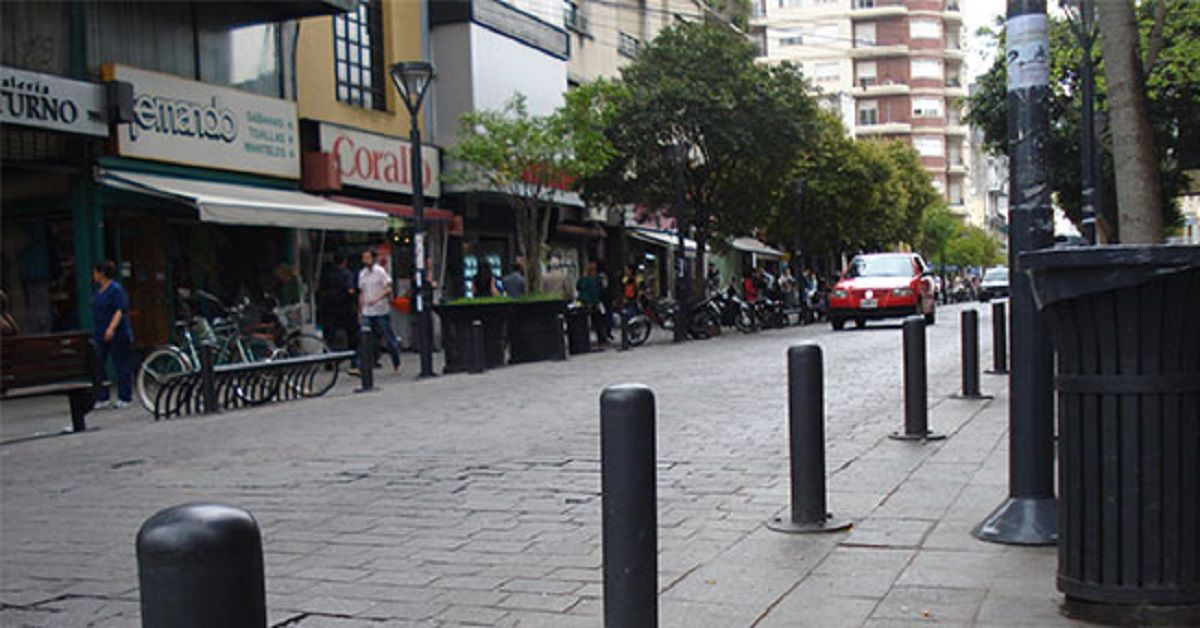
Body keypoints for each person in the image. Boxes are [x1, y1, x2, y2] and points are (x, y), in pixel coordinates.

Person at [91, 260, 133, 409]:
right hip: (99, 332)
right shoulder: (97, 291)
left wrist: (111, 328)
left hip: (117, 332)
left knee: (121, 363)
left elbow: (120, 310)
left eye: (95, 272)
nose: (93, 275)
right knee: (98, 364)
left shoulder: (116, 290)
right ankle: (102, 396)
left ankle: (125, 396)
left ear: (101, 273)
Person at [357, 249, 401, 373]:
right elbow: (362, 292)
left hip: (381, 310)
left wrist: (376, 299)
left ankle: (396, 360)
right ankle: (361, 364)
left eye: (367, 257)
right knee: (364, 337)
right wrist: (360, 310)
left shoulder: (380, 272)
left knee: (388, 337)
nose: (365, 261)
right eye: (364, 258)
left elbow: (388, 288)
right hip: (367, 310)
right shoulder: (362, 274)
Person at [318, 254, 357, 355]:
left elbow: (320, 290)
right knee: (351, 333)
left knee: (329, 334)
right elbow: (350, 291)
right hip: (344, 308)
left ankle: (327, 356)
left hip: (328, 307)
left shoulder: (326, 274)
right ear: (344, 262)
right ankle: (353, 357)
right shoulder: (346, 274)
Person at [575, 262, 611, 345]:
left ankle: (585, 339)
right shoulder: (596, 279)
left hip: (584, 302)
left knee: (584, 322)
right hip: (595, 302)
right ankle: (602, 338)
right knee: (598, 321)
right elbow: (600, 291)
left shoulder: (584, 279)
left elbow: (578, 287)